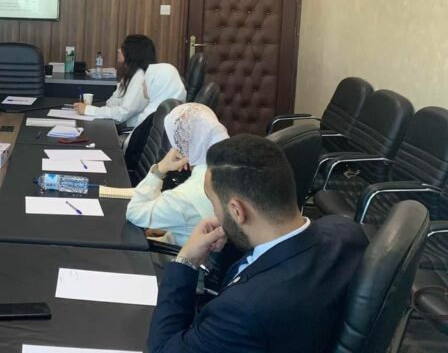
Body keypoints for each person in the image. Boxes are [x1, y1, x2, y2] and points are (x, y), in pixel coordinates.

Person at [147, 134, 368, 353]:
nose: (214, 213)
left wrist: (186, 260)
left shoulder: (241, 310)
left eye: (213, 203)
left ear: (237, 211)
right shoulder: (345, 232)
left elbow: (161, 349)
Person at [126, 103, 227, 244]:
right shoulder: (233, 169)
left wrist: (160, 170)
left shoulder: (184, 196)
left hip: (175, 255)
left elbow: (134, 212)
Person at [73, 34, 156, 128]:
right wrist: (97, 111)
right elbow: (112, 102)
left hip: (127, 132)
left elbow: (123, 113)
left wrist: (89, 110)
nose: (118, 50)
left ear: (133, 52)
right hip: (118, 125)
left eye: (123, 48)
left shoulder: (140, 78)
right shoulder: (131, 73)